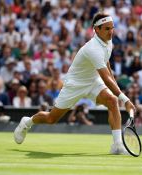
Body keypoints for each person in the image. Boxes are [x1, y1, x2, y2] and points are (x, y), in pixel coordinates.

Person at [13, 13, 135, 155]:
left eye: (112, 28)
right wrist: (125, 99)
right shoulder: (92, 48)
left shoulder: (108, 41)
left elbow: (106, 64)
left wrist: (119, 95)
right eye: (107, 29)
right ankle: (27, 122)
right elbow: (106, 78)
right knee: (51, 118)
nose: (111, 31)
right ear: (97, 29)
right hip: (74, 85)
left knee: (112, 101)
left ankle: (117, 145)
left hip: (93, 81)